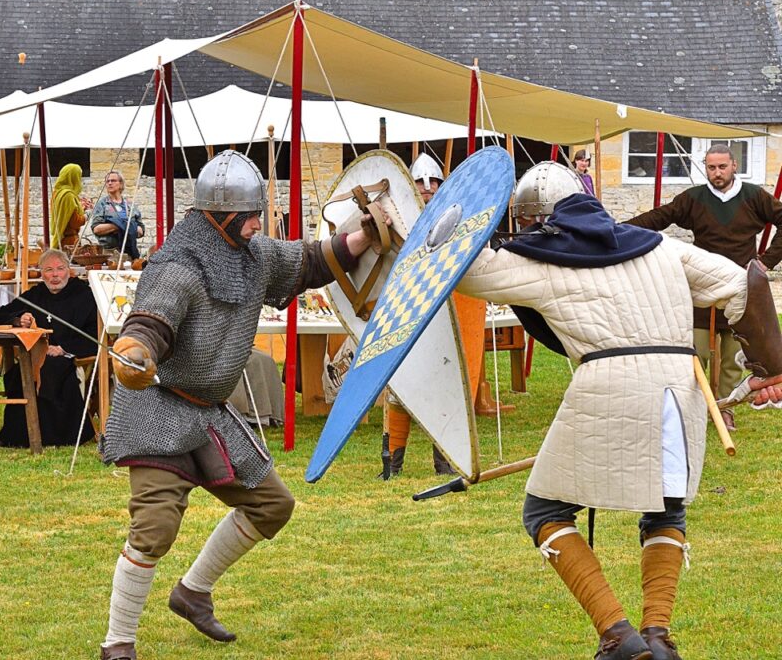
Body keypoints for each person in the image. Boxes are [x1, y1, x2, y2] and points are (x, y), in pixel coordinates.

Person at [456, 185, 782, 660]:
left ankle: (618, 636)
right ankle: (657, 636)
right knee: (665, 511)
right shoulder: (662, 247)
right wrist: (770, 366)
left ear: (536, 221)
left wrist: (434, 230)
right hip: (678, 389)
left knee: (545, 512)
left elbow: (466, 272)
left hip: (609, 386)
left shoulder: (540, 263)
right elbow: (743, 281)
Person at [97, 150, 385, 660]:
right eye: (249, 216)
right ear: (219, 216)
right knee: (155, 528)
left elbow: (310, 261)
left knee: (273, 505)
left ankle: (192, 592)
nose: (258, 223)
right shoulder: (177, 264)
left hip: (209, 413)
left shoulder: (253, 254)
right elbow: (148, 324)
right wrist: (136, 353)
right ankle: (118, 643)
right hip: (159, 409)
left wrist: (361, 238)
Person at [625, 143, 782, 432]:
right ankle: (692, 410)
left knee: (735, 358)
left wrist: (765, 263)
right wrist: (618, 229)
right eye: (711, 167)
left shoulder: (754, 197)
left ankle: (724, 410)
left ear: (734, 166)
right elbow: (659, 217)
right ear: (706, 168)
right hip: (701, 288)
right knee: (695, 354)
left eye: (723, 166)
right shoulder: (694, 199)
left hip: (741, 290)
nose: (717, 172)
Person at [378, 153, 455, 479]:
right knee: (399, 387)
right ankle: (392, 464)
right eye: (421, 184)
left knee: (442, 386)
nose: (427, 188)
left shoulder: (453, 215)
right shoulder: (394, 215)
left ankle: (446, 461)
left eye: (433, 182)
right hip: (404, 309)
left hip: (440, 311)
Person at [0, 248, 98, 448]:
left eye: (60, 269)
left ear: (69, 270)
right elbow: (0, 315)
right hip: (37, 355)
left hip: (69, 356)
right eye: (49, 270)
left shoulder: (84, 294)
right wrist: (19, 319)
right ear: (41, 273)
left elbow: (95, 334)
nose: (55, 275)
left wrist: (64, 348)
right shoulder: (36, 295)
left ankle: (54, 437)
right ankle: (15, 436)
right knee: (18, 374)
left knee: (51, 369)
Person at [91, 170, 145, 259]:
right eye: (107, 181)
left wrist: (122, 225)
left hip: (130, 253)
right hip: (109, 253)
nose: (109, 183)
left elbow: (140, 231)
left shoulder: (130, 205)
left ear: (120, 184)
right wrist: (119, 225)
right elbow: (96, 229)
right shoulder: (102, 204)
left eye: (113, 181)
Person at [49, 163, 86, 249]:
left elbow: (65, 214)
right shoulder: (68, 195)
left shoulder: (57, 193)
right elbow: (75, 222)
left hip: (61, 239)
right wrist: (87, 215)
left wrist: (81, 208)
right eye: (78, 177)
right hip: (69, 242)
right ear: (73, 178)